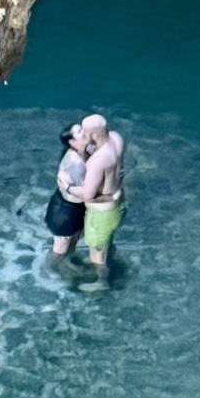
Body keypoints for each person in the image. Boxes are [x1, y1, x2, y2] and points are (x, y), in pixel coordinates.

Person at [68, 112, 125, 289]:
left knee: (97, 255)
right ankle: (110, 262)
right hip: (118, 203)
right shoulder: (116, 139)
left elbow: (88, 194)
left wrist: (67, 187)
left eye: (85, 134)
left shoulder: (97, 162)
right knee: (107, 242)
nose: (83, 137)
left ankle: (101, 283)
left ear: (94, 135)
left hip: (101, 215)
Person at [45, 123, 91, 270]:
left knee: (73, 241)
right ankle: (48, 271)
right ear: (72, 142)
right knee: (60, 249)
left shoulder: (86, 149)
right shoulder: (73, 163)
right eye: (80, 131)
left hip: (76, 208)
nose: (84, 131)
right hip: (65, 212)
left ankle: (65, 261)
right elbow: (86, 193)